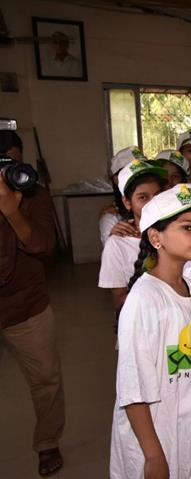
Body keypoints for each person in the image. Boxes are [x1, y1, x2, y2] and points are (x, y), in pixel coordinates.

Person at [109, 184, 191, 478]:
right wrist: (152, 455)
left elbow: (187, 355)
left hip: (186, 426)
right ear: (155, 237)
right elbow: (132, 388)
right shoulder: (144, 299)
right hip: (154, 434)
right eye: (187, 227)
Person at [0, 129, 65, 477]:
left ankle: (48, 442)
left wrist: (11, 211)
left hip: (25, 303)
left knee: (46, 379)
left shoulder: (30, 191)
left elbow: (44, 247)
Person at [98, 160, 166, 314]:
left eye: (157, 195)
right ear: (127, 202)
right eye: (143, 197)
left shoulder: (177, 233)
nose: (152, 203)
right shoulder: (117, 244)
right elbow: (120, 301)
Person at [99, 146, 148, 245]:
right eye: (130, 171)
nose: (139, 176)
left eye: (143, 171)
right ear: (116, 179)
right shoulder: (111, 218)